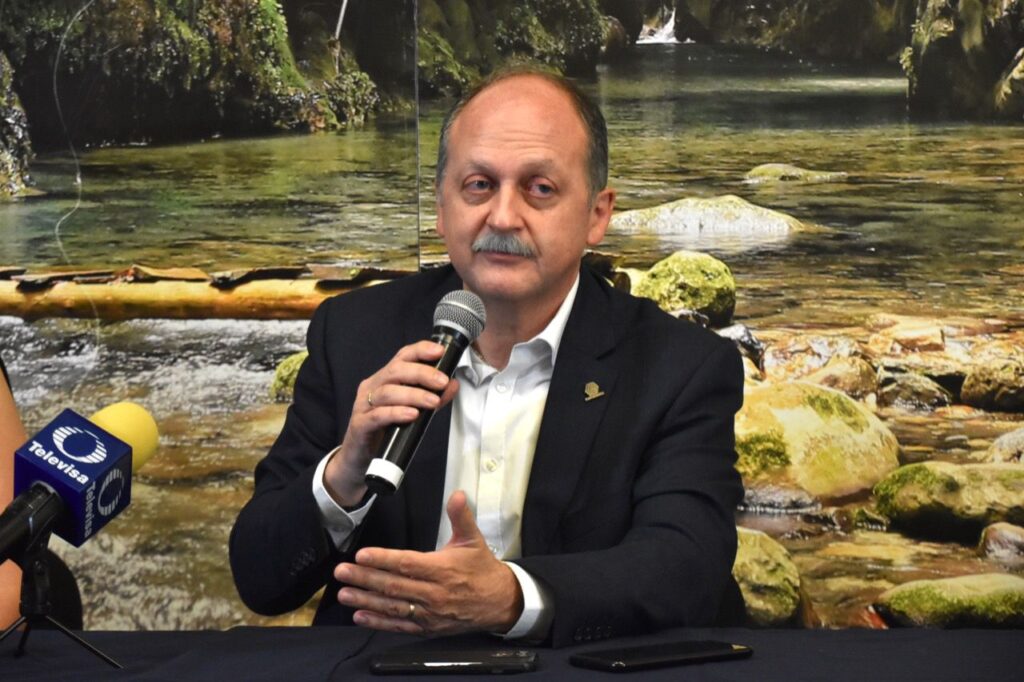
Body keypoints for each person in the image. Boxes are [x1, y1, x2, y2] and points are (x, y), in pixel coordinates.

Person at [230, 67, 744, 647]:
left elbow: (685, 567)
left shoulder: (679, 365)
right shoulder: (354, 335)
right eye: (478, 185)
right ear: (441, 206)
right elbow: (260, 579)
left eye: (539, 189)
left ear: (597, 215)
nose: (502, 217)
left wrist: (512, 599)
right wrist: (342, 476)